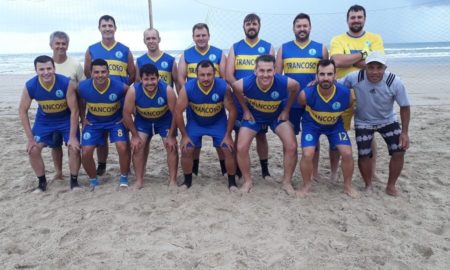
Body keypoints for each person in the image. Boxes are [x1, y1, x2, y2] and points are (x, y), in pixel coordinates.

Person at [338, 52, 410, 196]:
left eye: (379, 67)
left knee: (399, 151)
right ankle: (368, 184)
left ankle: (391, 186)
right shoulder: (356, 77)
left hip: (387, 120)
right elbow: (336, 85)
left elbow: (405, 106)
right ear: (365, 67)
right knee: (364, 154)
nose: (375, 71)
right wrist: (316, 81)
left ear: (385, 68)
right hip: (364, 121)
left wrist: (405, 132)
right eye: (371, 67)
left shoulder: (394, 81)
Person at [330, 4, 384, 180]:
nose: (356, 20)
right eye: (353, 17)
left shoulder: (375, 38)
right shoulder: (338, 40)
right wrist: (363, 55)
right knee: (337, 132)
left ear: (364, 19)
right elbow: (336, 61)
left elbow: (375, 65)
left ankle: (372, 171)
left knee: (369, 134)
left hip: (368, 94)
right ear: (347, 20)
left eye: (359, 17)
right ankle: (333, 172)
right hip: (342, 93)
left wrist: (350, 60)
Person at [233, 55, 299, 195]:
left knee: (292, 145)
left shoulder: (286, 83)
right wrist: (245, 110)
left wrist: (286, 110)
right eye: (261, 71)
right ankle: (248, 181)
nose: (265, 74)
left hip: (276, 115)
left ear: (275, 70)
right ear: (255, 71)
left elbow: (296, 88)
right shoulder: (244, 83)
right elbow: (235, 89)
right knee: (241, 146)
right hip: (255, 116)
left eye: (269, 71)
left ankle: (286, 182)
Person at [275, 12, 328, 180]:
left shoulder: (321, 48)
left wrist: (316, 81)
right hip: (289, 103)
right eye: (299, 26)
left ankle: (314, 171)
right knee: (289, 142)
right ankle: (288, 173)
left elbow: (325, 73)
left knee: (314, 139)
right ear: (293, 28)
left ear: (310, 27)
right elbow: (277, 76)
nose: (302, 29)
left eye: (305, 26)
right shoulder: (284, 48)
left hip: (312, 102)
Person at [297, 59, 359, 198]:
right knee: (307, 154)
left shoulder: (345, 94)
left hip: (334, 126)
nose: (326, 78)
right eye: (322, 74)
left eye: (329, 74)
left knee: (347, 153)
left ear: (335, 75)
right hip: (312, 125)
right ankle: (306, 185)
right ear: (316, 75)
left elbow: (348, 106)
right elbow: (302, 105)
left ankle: (348, 186)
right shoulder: (305, 94)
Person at [19, 55, 81, 191]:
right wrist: (30, 139)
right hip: (45, 121)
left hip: (65, 119)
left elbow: (75, 111)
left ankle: (74, 182)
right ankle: (42, 183)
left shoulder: (66, 83)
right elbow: (22, 111)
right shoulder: (30, 85)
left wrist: (72, 138)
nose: (46, 72)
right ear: (36, 70)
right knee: (33, 150)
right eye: (41, 69)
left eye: (49, 68)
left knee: (74, 147)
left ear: (54, 68)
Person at [84, 15, 136, 176]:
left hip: (119, 103)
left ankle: (125, 170)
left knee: (122, 139)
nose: (107, 28)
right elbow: (87, 74)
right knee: (101, 137)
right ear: (99, 28)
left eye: (110, 25)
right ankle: (102, 164)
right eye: (104, 25)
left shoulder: (124, 50)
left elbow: (132, 75)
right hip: (99, 100)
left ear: (115, 28)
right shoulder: (91, 49)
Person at [225, 13, 275, 180]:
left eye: (254, 24)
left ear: (259, 26)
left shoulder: (268, 47)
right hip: (240, 99)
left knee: (261, 135)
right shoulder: (236, 47)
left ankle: (264, 170)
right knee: (239, 132)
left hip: (261, 100)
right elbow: (229, 74)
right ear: (243, 26)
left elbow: (273, 74)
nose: (251, 26)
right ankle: (239, 169)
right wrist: (241, 92)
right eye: (248, 24)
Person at [175, 60, 237, 190]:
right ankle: (187, 181)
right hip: (196, 123)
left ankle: (232, 182)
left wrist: (228, 135)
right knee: (186, 149)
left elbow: (232, 111)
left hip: (217, 122)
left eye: (209, 74)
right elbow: (178, 112)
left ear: (215, 73)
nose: (206, 78)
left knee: (227, 148)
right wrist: (184, 136)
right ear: (196, 74)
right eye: (202, 75)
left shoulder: (223, 87)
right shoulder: (188, 88)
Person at [177, 23, 228, 176]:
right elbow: (180, 78)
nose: (201, 38)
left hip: (214, 100)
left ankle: (225, 169)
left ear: (208, 36)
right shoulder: (186, 54)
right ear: (193, 37)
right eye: (197, 36)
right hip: (194, 100)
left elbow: (224, 78)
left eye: (203, 35)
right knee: (195, 140)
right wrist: (187, 95)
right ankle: (194, 170)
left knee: (220, 141)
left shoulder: (218, 53)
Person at [123, 64, 178, 189]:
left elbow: (176, 114)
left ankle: (173, 181)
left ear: (158, 78)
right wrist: (135, 136)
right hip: (143, 121)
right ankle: (139, 180)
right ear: (141, 80)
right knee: (137, 147)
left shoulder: (167, 90)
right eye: (146, 79)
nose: (150, 83)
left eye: (153, 79)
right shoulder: (133, 90)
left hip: (164, 120)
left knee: (171, 146)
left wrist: (171, 136)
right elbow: (126, 114)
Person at [78, 59, 130, 189]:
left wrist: (126, 114)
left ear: (108, 72)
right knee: (86, 151)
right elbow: (78, 99)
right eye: (96, 72)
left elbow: (131, 93)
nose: (100, 75)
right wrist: (82, 117)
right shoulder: (83, 87)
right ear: (90, 73)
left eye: (103, 72)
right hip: (93, 123)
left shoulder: (119, 86)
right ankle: (93, 179)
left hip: (115, 122)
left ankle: (124, 177)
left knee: (122, 146)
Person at [49, 31, 85, 181]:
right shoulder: (47, 65)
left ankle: (73, 176)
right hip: (51, 114)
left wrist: (83, 116)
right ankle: (58, 172)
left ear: (68, 45)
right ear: (51, 45)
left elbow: (83, 92)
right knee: (55, 145)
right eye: (57, 43)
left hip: (71, 112)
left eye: (63, 43)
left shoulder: (75, 65)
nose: (60, 46)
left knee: (73, 145)